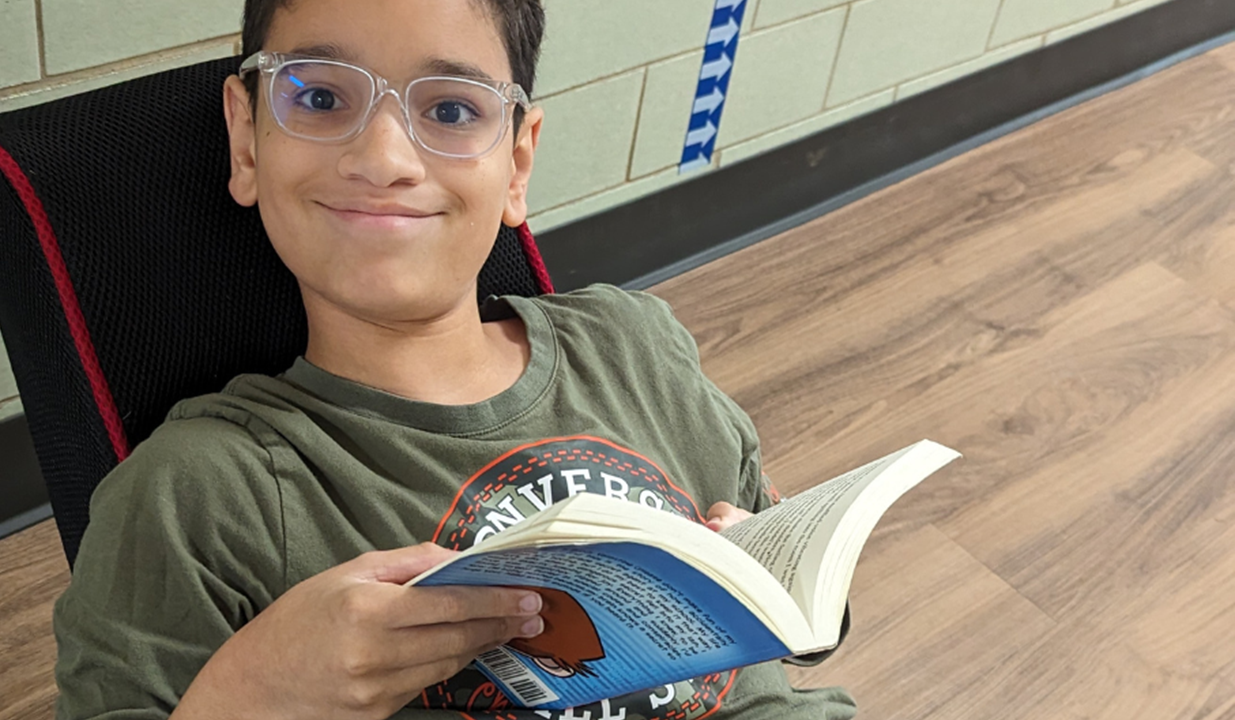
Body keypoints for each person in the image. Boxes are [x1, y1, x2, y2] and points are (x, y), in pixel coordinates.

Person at [51, 1, 858, 718]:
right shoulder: (200, 493)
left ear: (517, 163)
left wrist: (785, 588)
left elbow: (796, 607)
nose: (384, 158)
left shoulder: (633, 341)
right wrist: (255, 693)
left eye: (449, 108)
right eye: (322, 97)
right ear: (246, 139)